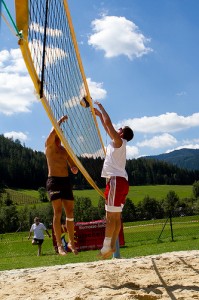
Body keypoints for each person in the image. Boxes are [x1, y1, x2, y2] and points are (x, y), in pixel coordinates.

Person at [94, 101, 134, 259]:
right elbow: (107, 127)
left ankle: (106, 247)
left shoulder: (118, 142)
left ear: (122, 133)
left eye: (120, 129)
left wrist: (102, 108)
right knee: (116, 218)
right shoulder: (117, 142)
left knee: (110, 217)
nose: (117, 129)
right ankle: (110, 246)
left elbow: (109, 124)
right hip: (122, 182)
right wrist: (98, 116)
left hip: (116, 182)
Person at [45, 115, 78, 256]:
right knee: (57, 212)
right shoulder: (49, 144)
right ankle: (59, 245)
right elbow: (53, 132)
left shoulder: (64, 150)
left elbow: (72, 164)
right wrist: (59, 121)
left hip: (65, 182)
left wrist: (73, 168)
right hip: (54, 181)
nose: (60, 135)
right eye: (59, 133)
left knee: (70, 213)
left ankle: (71, 242)